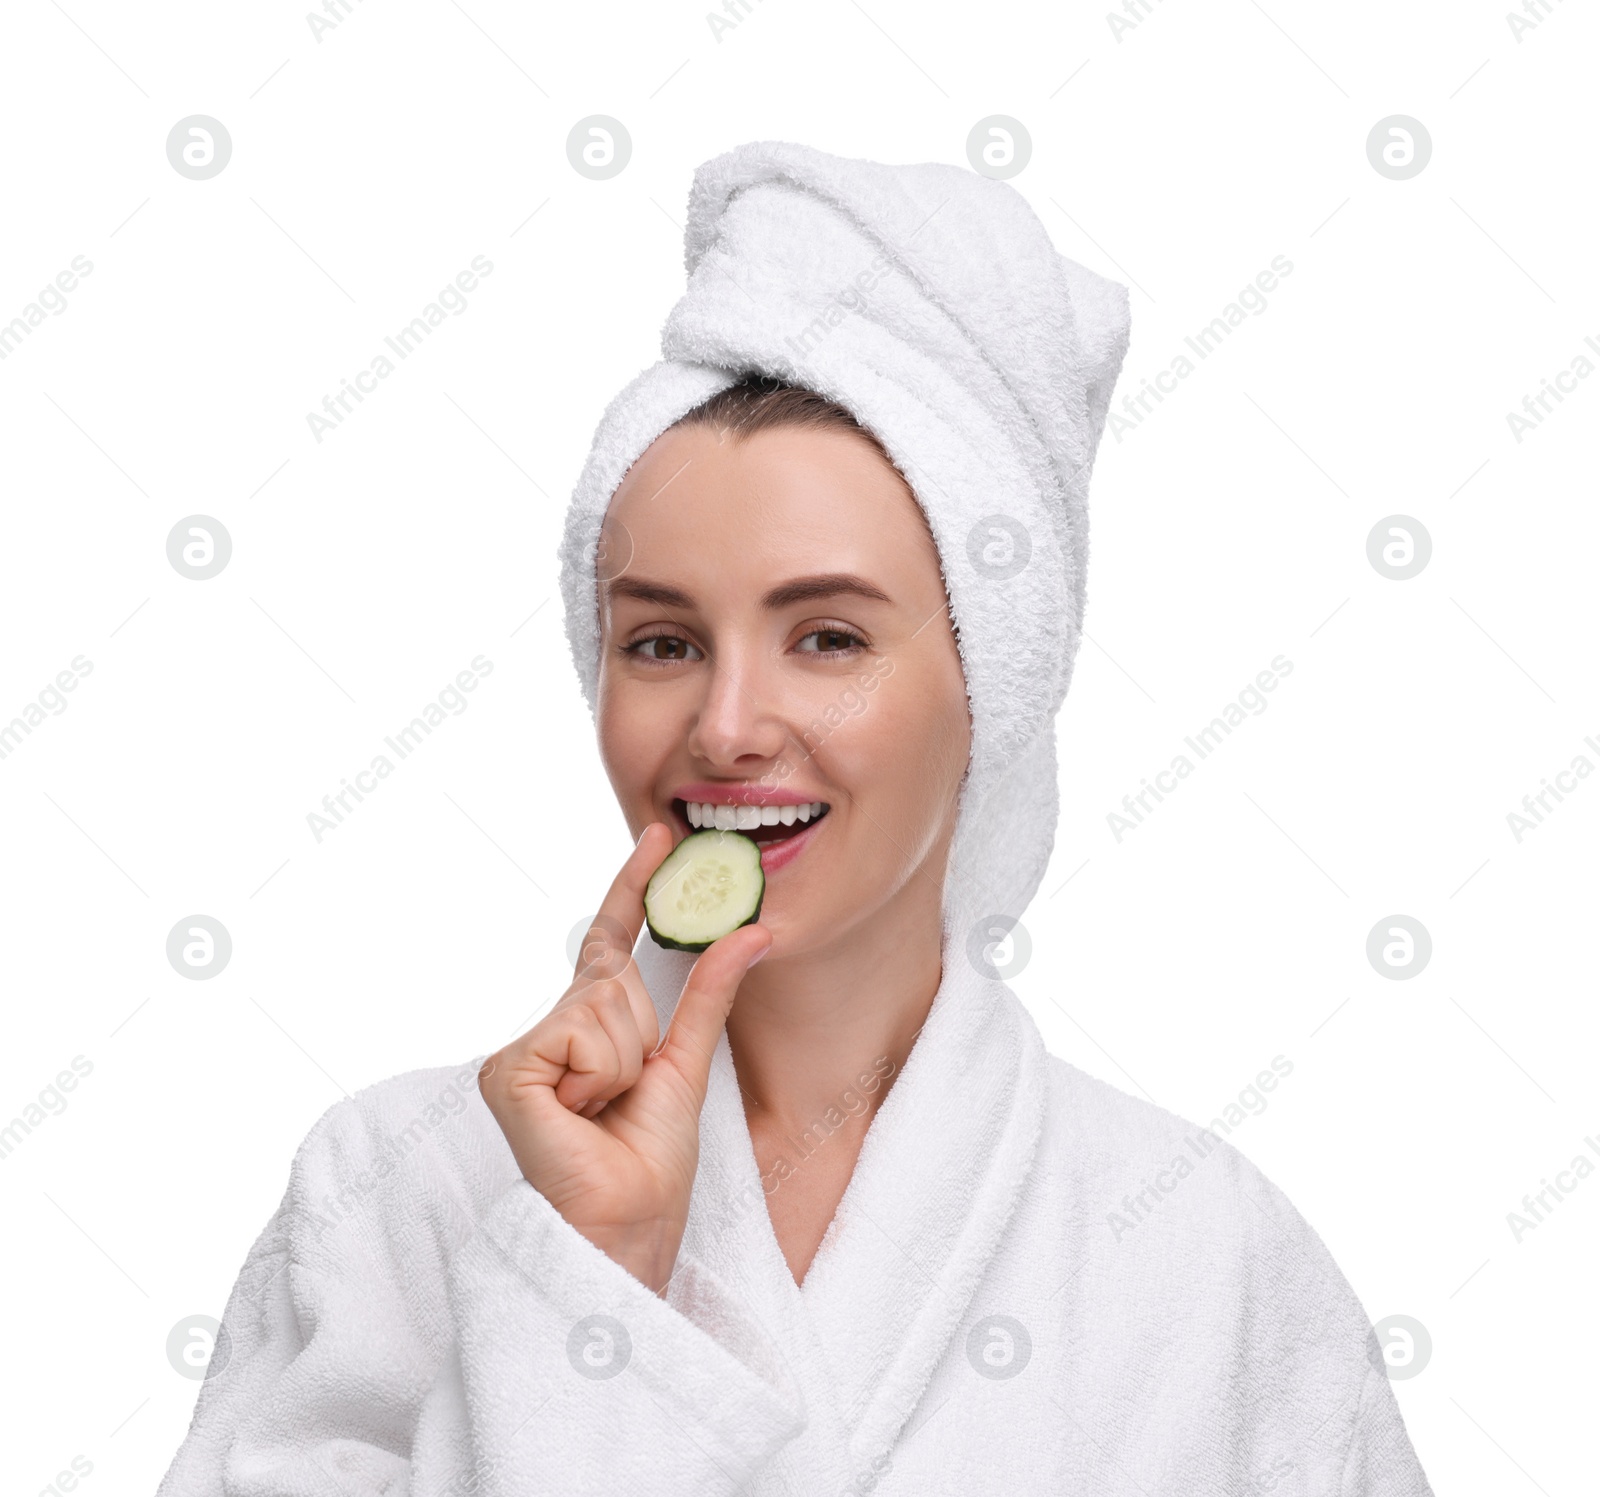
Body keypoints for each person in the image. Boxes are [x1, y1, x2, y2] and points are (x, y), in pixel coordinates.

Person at [157, 141, 1433, 1495]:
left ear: (989, 685)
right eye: (660, 643)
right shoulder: (394, 1190)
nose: (724, 725)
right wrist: (583, 1291)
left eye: (826, 636)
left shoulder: (1204, 1255)